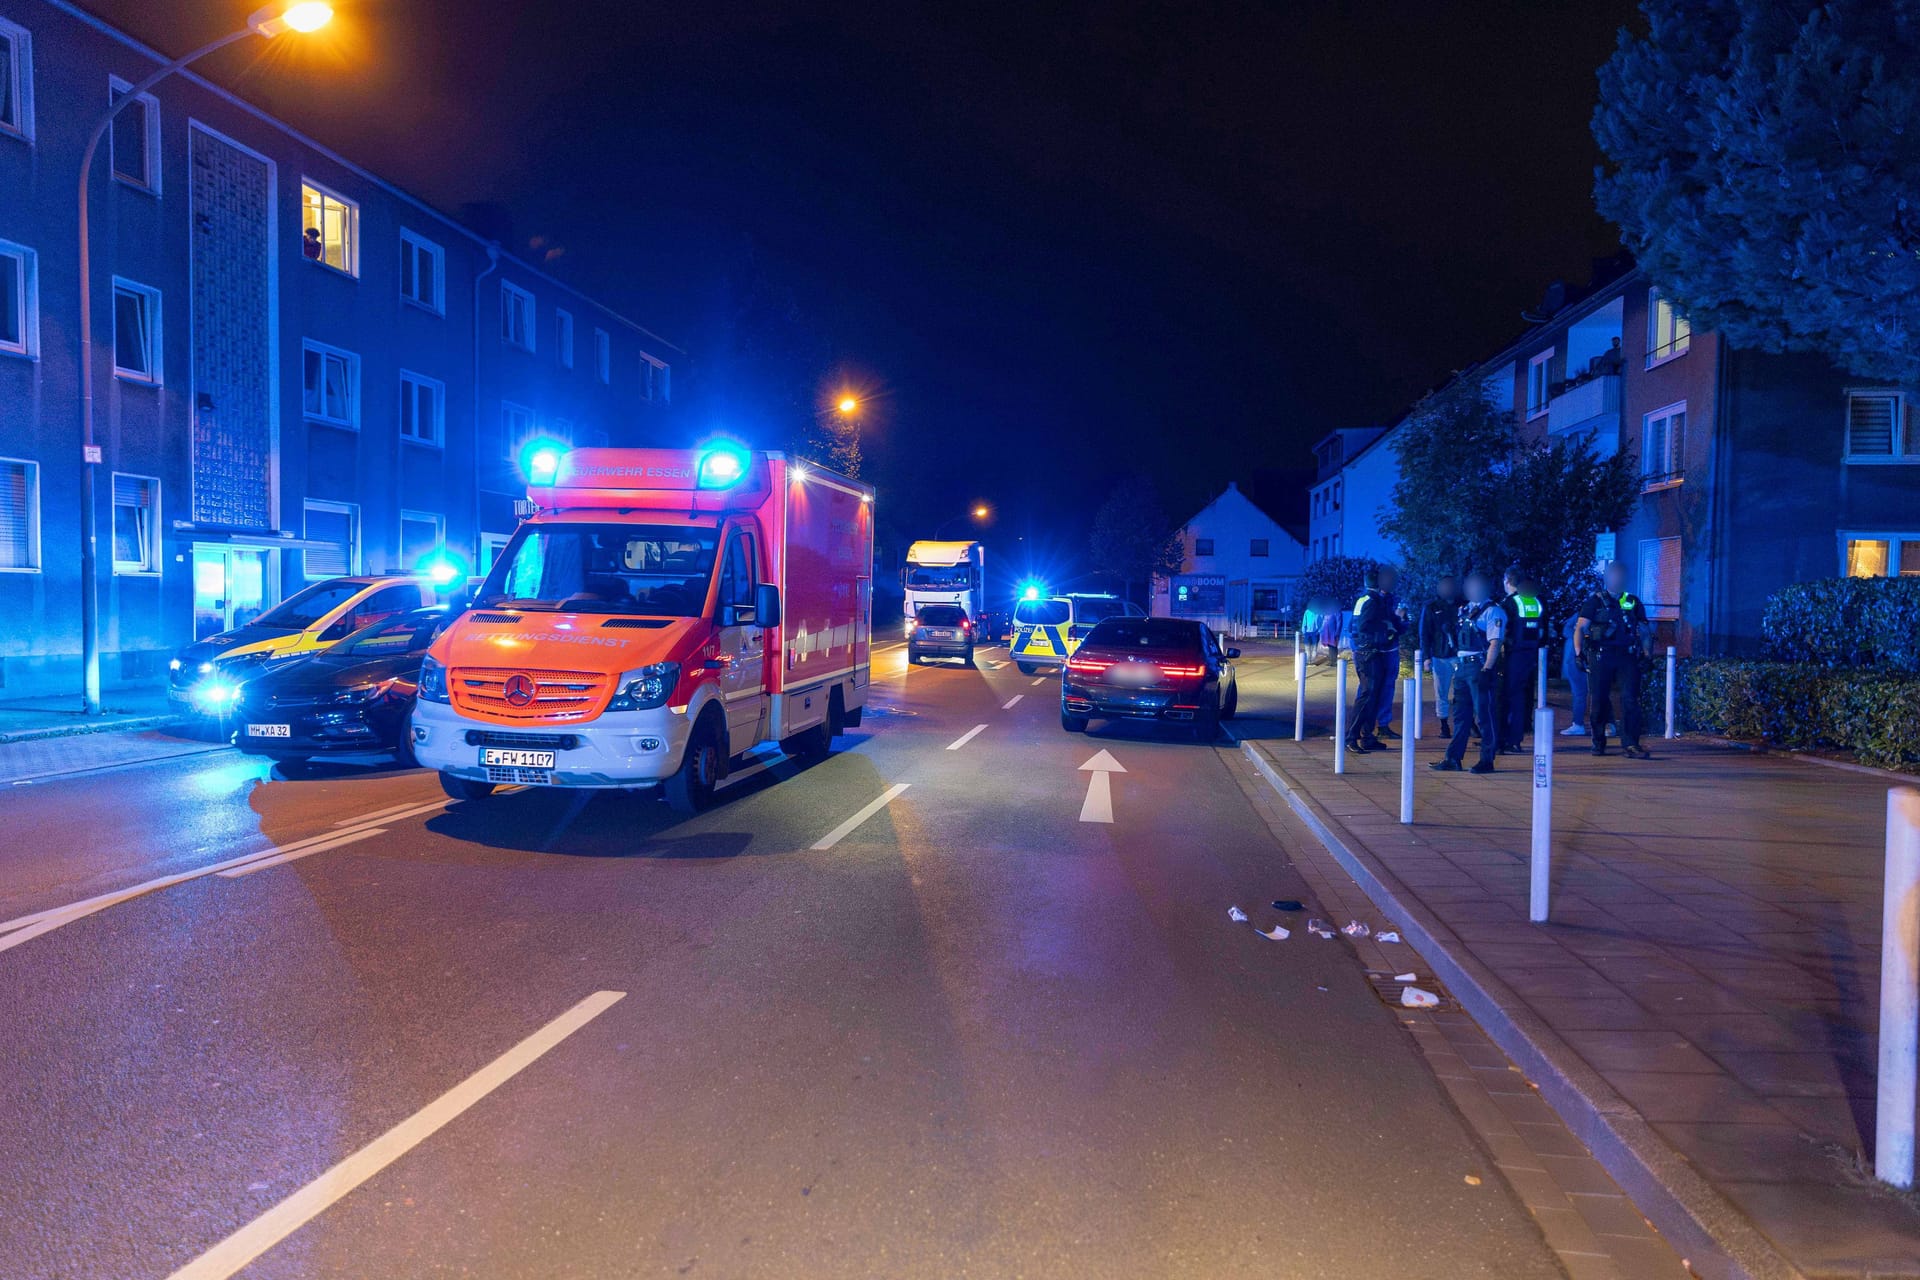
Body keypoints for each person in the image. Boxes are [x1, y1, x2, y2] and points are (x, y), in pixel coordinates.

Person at [1576, 560, 1654, 759]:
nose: (1618, 579)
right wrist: (1579, 653)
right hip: (1601, 656)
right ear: (1607, 578)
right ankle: (1598, 741)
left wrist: (1647, 655)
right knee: (1599, 700)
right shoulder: (1595, 601)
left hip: (1626, 656)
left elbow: (1644, 631)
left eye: (1621, 575)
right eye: (1614, 575)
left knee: (1630, 700)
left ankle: (1631, 744)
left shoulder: (1633, 602)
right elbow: (1581, 628)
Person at [1431, 571, 1504, 775]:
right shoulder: (1466, 609)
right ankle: (1453, 758)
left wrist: (1487, 668)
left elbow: (1495, 642)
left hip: (1478, 666)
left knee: (1484, 715)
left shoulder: (1493, 612)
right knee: (1461, 715)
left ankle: (1486, 760)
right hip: (1462, 666)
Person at [1346, 566, 1406, 755]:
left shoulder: (1373, 600)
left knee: (1373, 696)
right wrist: (1385, 631)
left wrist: (1397, 623)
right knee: (1367, 696)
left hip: (1372, 653)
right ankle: (1351, 737)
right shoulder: (1372, 601)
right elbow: (1364, 628)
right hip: (1370, 654)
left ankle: (1368, 737)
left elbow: (1394, 627)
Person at [1498, 566, 1547, 754]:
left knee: (1508, 698)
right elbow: (1542, 630)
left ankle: (1505, 739)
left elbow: (1502, 631)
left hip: (1513, 655)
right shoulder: (1536, 601)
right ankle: (1515, 739)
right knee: (1521, 696)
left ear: (1508, 581)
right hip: (1530, 655)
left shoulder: (1510, 603)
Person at [1418, 574, 1462, 738]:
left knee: (1462, 691)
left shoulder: (1462, 604)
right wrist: (1426, 657)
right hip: (1439, 655)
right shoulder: (1431, 607)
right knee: (1441, 692)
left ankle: (1464, 723)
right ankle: (1444, 724)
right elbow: (1424, 633)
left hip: (1459, 655)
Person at [1559, 614, 1589, 737]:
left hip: (1580, 659)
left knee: (1580, 693)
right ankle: (1608, 724)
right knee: (1594, 693)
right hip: (1580, 659)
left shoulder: (1585, 611)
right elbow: (1566, 630)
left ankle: (1578, 724)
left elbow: (1566, 630)